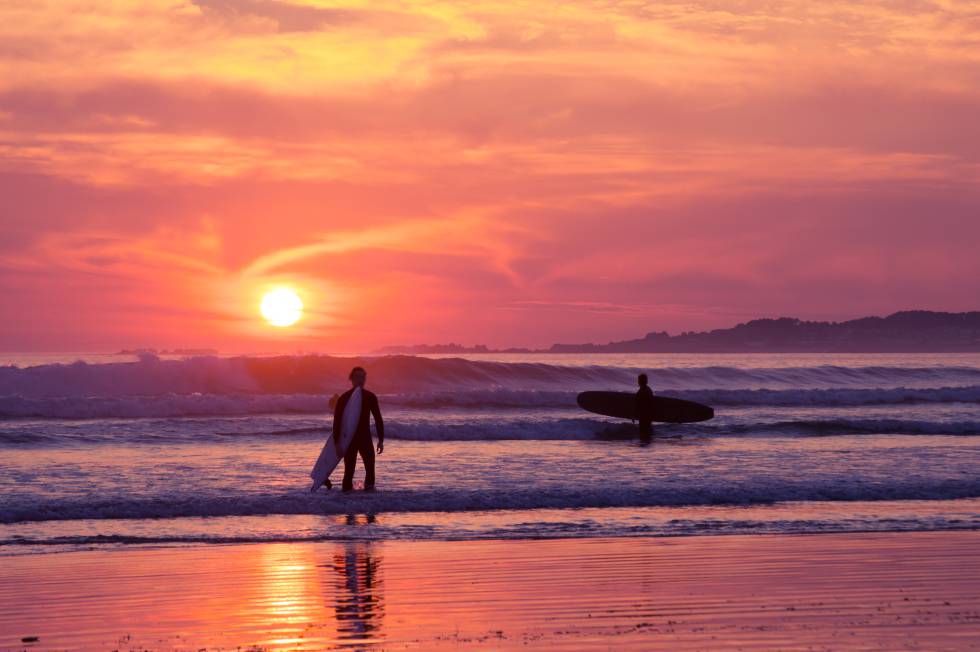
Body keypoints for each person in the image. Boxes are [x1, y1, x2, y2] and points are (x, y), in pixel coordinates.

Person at [333, 366, 385, 491]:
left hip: (365, 438)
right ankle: (346, 502)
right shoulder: (344, 398)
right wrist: (337, 444)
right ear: (351, 379)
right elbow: (337, 422)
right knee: (349, 471)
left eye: (363, 377)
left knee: (370, 469)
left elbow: (378, 418)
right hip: (350, 440)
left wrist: (381, 439)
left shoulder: (370, 397)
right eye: (357, 377)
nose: (360, 380)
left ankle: (369, 500)